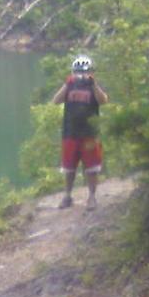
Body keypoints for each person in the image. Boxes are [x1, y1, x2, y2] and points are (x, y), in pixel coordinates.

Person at [51, 54, 109, 210]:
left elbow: (103, 100)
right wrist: (67, 84)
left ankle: (92, 198)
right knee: (69, 168)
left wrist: (94, 84)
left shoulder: (94, 86)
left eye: (84, 72)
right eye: (77, 72)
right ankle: (67, 196)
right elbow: (56, 100)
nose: (81, 75)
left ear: (91, 72)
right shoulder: (69, 85)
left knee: (92, 168)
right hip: (70, 133)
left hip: (90, 134)